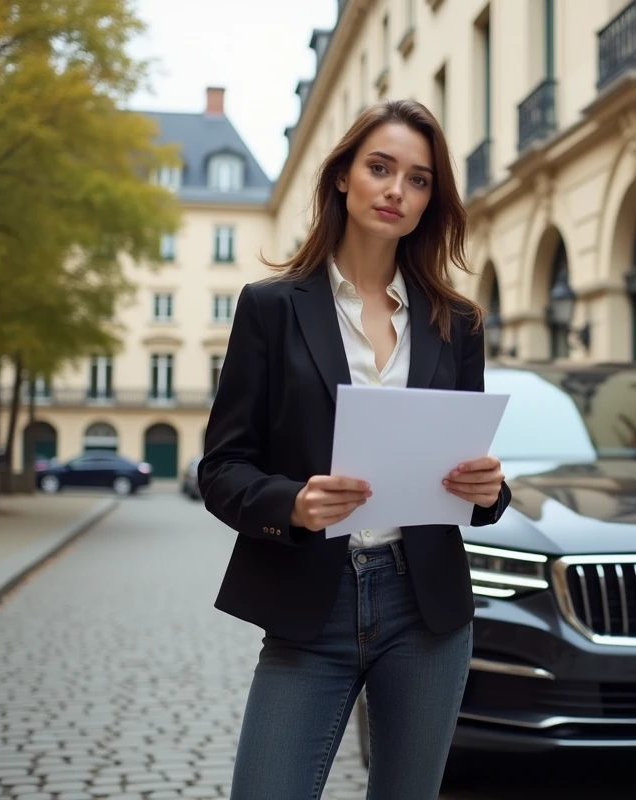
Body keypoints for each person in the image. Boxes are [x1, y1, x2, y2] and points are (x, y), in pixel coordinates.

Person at [198, 99, 512, 800]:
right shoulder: (271, 308)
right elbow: (221, 468)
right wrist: (294, 504)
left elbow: (474, 479)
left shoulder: (457, 322)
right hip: (312, 600)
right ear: (343, 176)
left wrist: (489, 490)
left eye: (419, 179)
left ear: (430, 201)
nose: (397, 189)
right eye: (380, 168)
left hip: (426, 609)